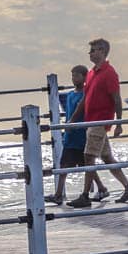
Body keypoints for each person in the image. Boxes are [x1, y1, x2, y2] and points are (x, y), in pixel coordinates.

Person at [67, 38, 128, 208]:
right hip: (91, 121)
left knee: (88, 156)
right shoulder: (92, 73)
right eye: (90, 51)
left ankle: (85, 195)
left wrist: (118, 123)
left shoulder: (109, 73)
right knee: (106, 157)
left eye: (93, 50)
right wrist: (73, 120)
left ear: (102, 51)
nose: (90, 53)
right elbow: (85, 99)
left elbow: (116, 99)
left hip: (100, 121)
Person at [47, 65, 108, 205]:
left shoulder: (87, 94)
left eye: (77, 76)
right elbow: (69, 113)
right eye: (72, 76)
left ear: (85, 77)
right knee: (64, 165)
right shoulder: (70, 95)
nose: (74, 78)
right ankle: (59, 194)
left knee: (86, 164)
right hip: (70, 135)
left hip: (82, 134)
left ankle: (101, 188)